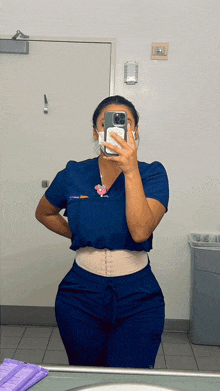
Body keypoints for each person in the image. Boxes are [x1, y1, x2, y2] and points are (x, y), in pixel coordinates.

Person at [35, 95, 169, 369]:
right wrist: (79, 234)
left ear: (136, 131)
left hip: (138, 296)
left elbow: (141, 230)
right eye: (105, 123)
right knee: (87, 375)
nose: (117, 129)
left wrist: (130, 170)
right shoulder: (73, 173)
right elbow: (44, 213)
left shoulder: (152, 174)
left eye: (126, 122)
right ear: (96, 131)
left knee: (130, 381)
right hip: (80, 294)